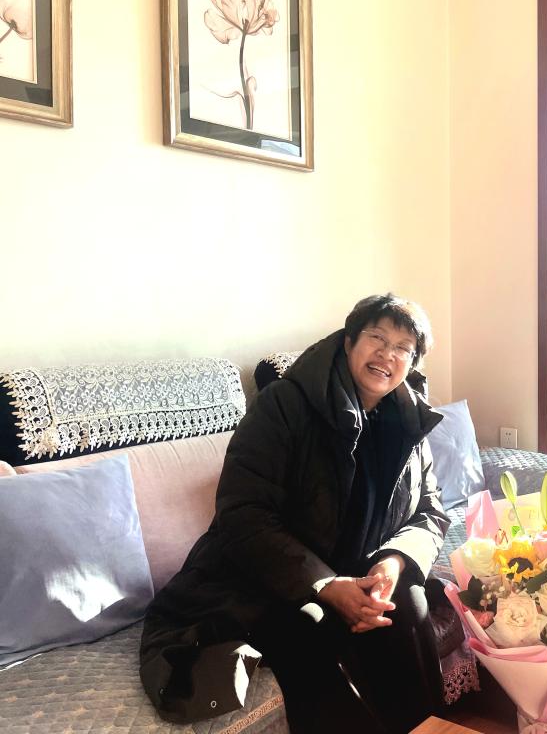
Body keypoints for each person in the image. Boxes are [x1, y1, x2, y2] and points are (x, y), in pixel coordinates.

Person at [139, 293, 451, 734]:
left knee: (409, 605)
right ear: (349, 341)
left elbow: (430, 510)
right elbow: (242, 514)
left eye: (403, 348)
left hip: (357, 570)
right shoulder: (284, 406)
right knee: (309, 630)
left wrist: (394, 562)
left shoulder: (407, 419)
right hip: (260, 578)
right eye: (377, 338)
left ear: (412, 362)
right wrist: (325, 584)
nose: (387, 355)